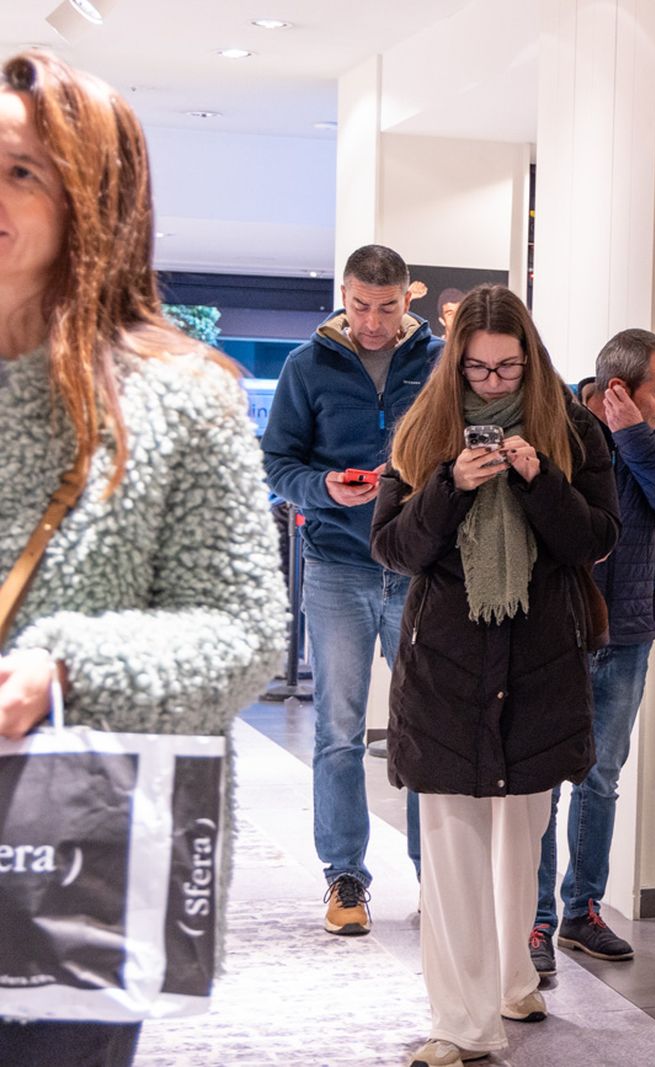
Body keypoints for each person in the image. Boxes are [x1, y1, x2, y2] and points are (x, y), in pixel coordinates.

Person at [0, 50, 284, 1066]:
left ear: (92, 198)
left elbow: (245, 629)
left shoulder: (180, 396)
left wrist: (62, 664)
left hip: (60, 858)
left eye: (21, 171)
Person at [371, 284, 618, 1067]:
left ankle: (514, 978)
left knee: (524, 835)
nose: (492, 382)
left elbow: (596, 540)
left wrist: (541, 478)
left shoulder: (573, 427)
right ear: (456, 363)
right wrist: (451, 484)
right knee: (452, 844)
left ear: (531, 357)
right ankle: (463, 1022)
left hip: (541, 659)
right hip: (447, 661)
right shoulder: (424, 427)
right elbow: (395, 548)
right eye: (476, 368)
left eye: (508, 367)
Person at [262, 244, 442, 935]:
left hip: (421, 565)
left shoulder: (437, 362)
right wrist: (324, 489)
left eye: (387, 307)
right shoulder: (307, 365)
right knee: (338, 728)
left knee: (428, 727)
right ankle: (344, 876)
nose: (371, 321)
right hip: (337, 561)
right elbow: (279, 462)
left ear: (407, 300)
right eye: (360, 305)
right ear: (344, 295)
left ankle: (439, 876)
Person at [530, 329, 655, 974]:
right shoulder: (554, 428)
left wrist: (634, 437)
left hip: (629, 632)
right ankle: (532, 920)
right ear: (619, 388)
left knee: (602, 777)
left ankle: (581, 912)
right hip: (559, 631)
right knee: (542, 781)